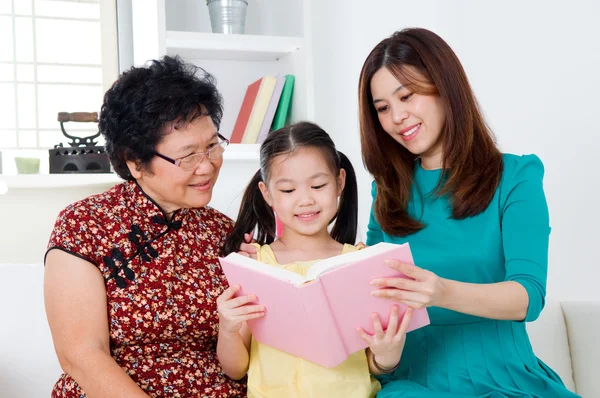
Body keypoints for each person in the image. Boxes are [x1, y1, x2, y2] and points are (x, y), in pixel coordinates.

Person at [355, 27, 580, 397]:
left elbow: (528, 295)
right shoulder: (387, 191)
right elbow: (375, 306)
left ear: (445, 87)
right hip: (411, 380)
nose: (397, 117)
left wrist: (440, 291)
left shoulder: (516, 177)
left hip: (503, 375)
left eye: (406, 96)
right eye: (382, 108)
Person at [44, 56, 246, 397]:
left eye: (212, 146)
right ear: (135, 162)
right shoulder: (84, 224)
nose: (207, 166)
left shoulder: (225, 232)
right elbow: (81, 355)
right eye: (187, 156)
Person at [217, 121, 414, 398]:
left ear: (339, 183)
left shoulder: (360, 263)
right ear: (267, 194)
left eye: (318, 185)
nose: (305, 200)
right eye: (288, 190)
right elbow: (236, 369)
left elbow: (372, 364)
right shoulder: (255, 265)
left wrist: (387, 354)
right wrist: (227, 328)